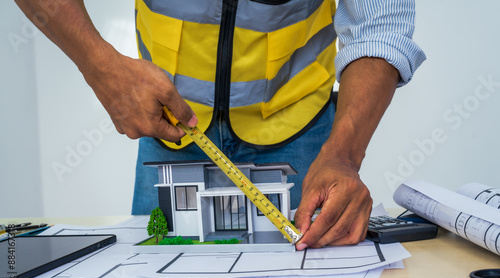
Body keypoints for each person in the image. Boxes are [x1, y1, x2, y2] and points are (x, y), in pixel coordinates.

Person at [15, 0, 425, 250]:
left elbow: (382, 24)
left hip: (302, 135)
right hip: (171, 129)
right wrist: (98, 64)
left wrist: (343, 154)